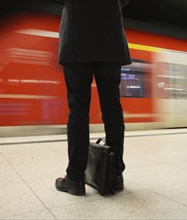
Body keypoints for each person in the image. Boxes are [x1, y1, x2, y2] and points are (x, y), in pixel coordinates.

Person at [55, 0, 131, 196]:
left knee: (78, 110)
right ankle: (115, 175)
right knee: (112, 109)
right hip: (110, 38)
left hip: (76, 36)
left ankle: (75, 178)